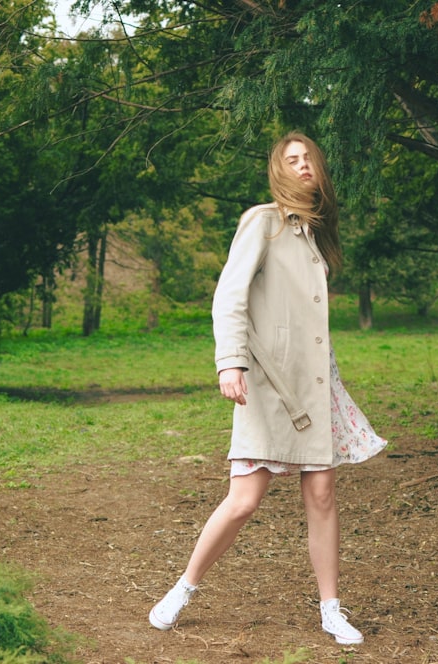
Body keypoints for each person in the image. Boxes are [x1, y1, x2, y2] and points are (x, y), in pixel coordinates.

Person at [148, 131, 387, 645]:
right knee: (244, 499)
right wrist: (229, 364)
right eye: (292, 160)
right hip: (266, 383)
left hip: (315, 382)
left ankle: (331, 609)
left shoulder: (313, 233)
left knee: (322, 493)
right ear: (279, 171)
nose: (303, 166)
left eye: (309, 159)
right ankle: (183, 589)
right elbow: (228, 297)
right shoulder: (264, 222)